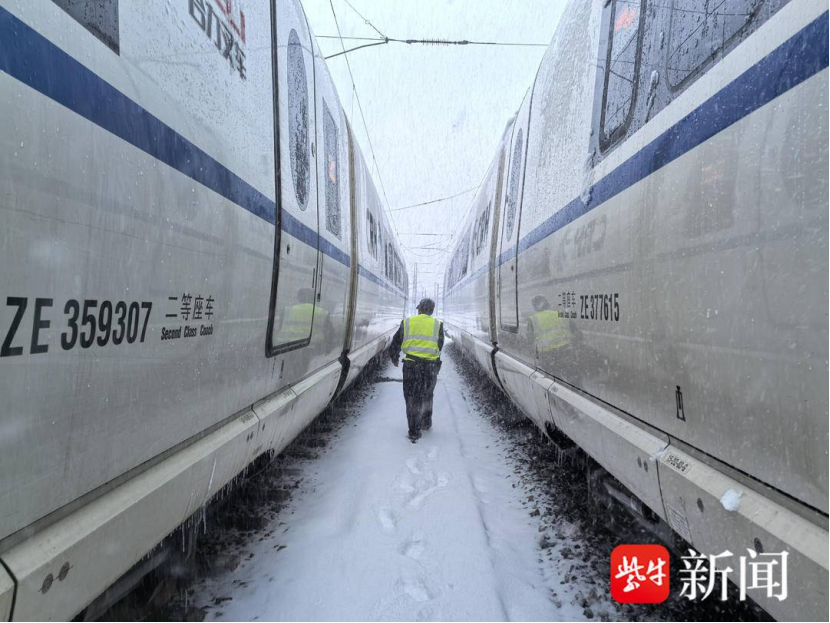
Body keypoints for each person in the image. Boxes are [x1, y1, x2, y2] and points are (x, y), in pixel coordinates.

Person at [389, 298, 444, 443]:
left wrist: (394, 356)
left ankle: (414, 430)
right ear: (431, 310)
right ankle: (426, 422)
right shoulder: (438, 325)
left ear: (419, 309)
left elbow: (396, 341)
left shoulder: (407, 322)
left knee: (412, 397)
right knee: (427, 394)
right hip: (431, 366)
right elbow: (440, 345)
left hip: (411, 365)